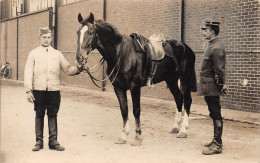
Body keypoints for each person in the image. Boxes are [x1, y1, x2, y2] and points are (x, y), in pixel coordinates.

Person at [24, 27, 81, 151]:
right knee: (39, 114)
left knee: (53, 114)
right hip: (38, 90)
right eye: (44, 37)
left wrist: (79, 68)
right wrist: (28, 90)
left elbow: (67, 69)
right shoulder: (33, 54)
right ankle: (39, 142)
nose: (46, 39)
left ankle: (53, 142)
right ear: (39, 38)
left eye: (48, 37)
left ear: (51, 38)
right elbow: (28, 72)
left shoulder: (57, 54)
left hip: (53, 90)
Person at [198, 19, 226, 155]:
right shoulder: (212, 45)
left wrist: (221, 86)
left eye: (206, 30)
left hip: (212, 86)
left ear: (213, 31)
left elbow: (219, 71)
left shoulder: (217, 47)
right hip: (208, 86)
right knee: (213, 112)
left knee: (215, 113)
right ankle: (216, 140)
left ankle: (217, 144)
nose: (203, 32)